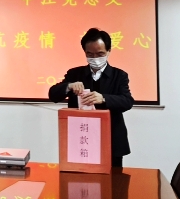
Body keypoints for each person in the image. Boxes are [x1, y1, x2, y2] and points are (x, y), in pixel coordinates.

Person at [49, 28, 134, 168]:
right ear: (85, 52)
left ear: (108, 51)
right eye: (90, 54)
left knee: (113, 180)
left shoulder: (119, 75)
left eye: (100, 54)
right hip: (81, 137)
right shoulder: (75, 74)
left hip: (111, 138)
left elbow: (127, 101)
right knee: (78, 178)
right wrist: (69, 86)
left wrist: (104, 98)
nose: (95, 58)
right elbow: (53, 95)